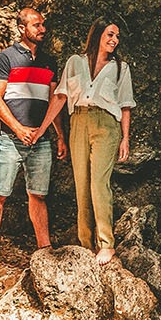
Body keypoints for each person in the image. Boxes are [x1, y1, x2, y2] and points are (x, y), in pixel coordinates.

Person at [38, 18, 135, 265]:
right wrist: (42, 129)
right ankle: (85, 243)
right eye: (110, 34)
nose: (114, 40)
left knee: (99, 184)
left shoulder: (120, 68)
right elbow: (60, 97)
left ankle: (106, 244)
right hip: (78, 122)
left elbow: (125, 105)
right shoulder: (75, 63)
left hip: (106, 125)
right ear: (98, 34)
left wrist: (125, 138)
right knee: (81, 185)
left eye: (117, 37)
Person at [0, 6, 65, 278]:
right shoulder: (5, 59)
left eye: (43, 25)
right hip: (11, 138)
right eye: (36, 25)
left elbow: (54, 102)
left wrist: (58, 135)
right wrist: (17, 129)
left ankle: (45, 250)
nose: (42, 29)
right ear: (22, 28)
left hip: (40, 140)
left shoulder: (49, 62)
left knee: (38, 195)